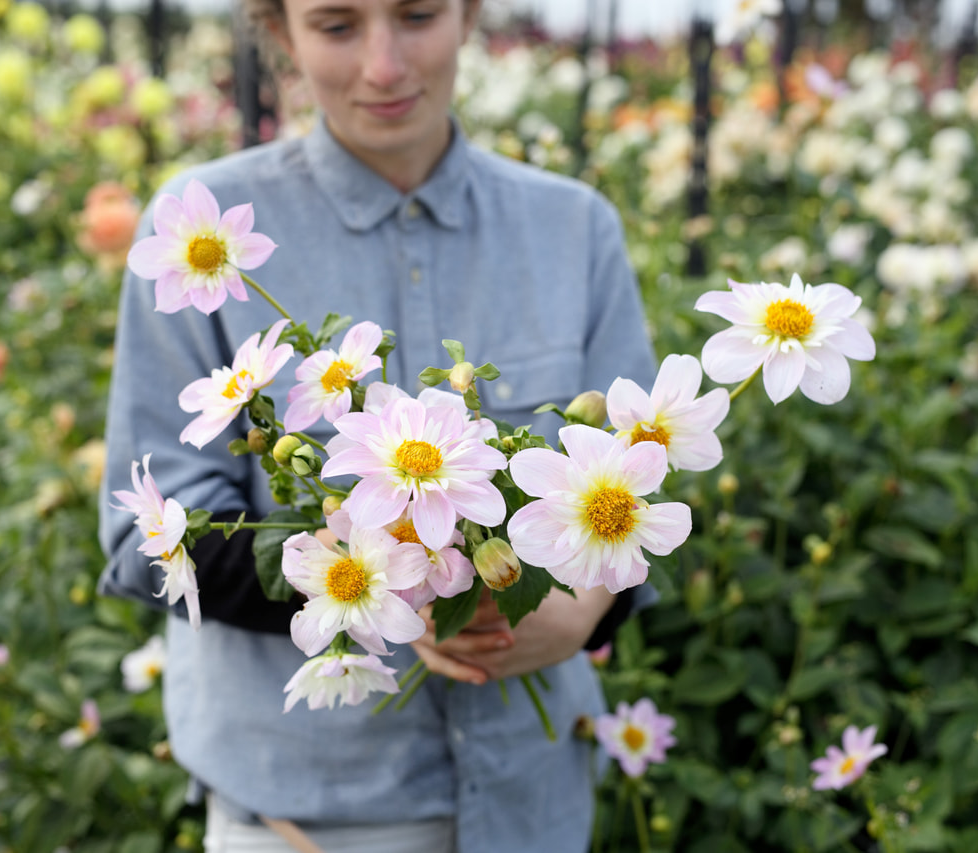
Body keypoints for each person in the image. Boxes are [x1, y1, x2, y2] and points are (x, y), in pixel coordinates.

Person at [97, 0, 658, 849]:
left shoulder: (574, 227)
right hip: (308, 815)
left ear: (469, 14)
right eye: (336, 25)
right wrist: (369, 583)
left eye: (418, 14)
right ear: (279, 31)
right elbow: (142, 537)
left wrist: (586, 607)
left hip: (531, 800)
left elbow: (646, 483)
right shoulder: (200, 233)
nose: (385, 65)